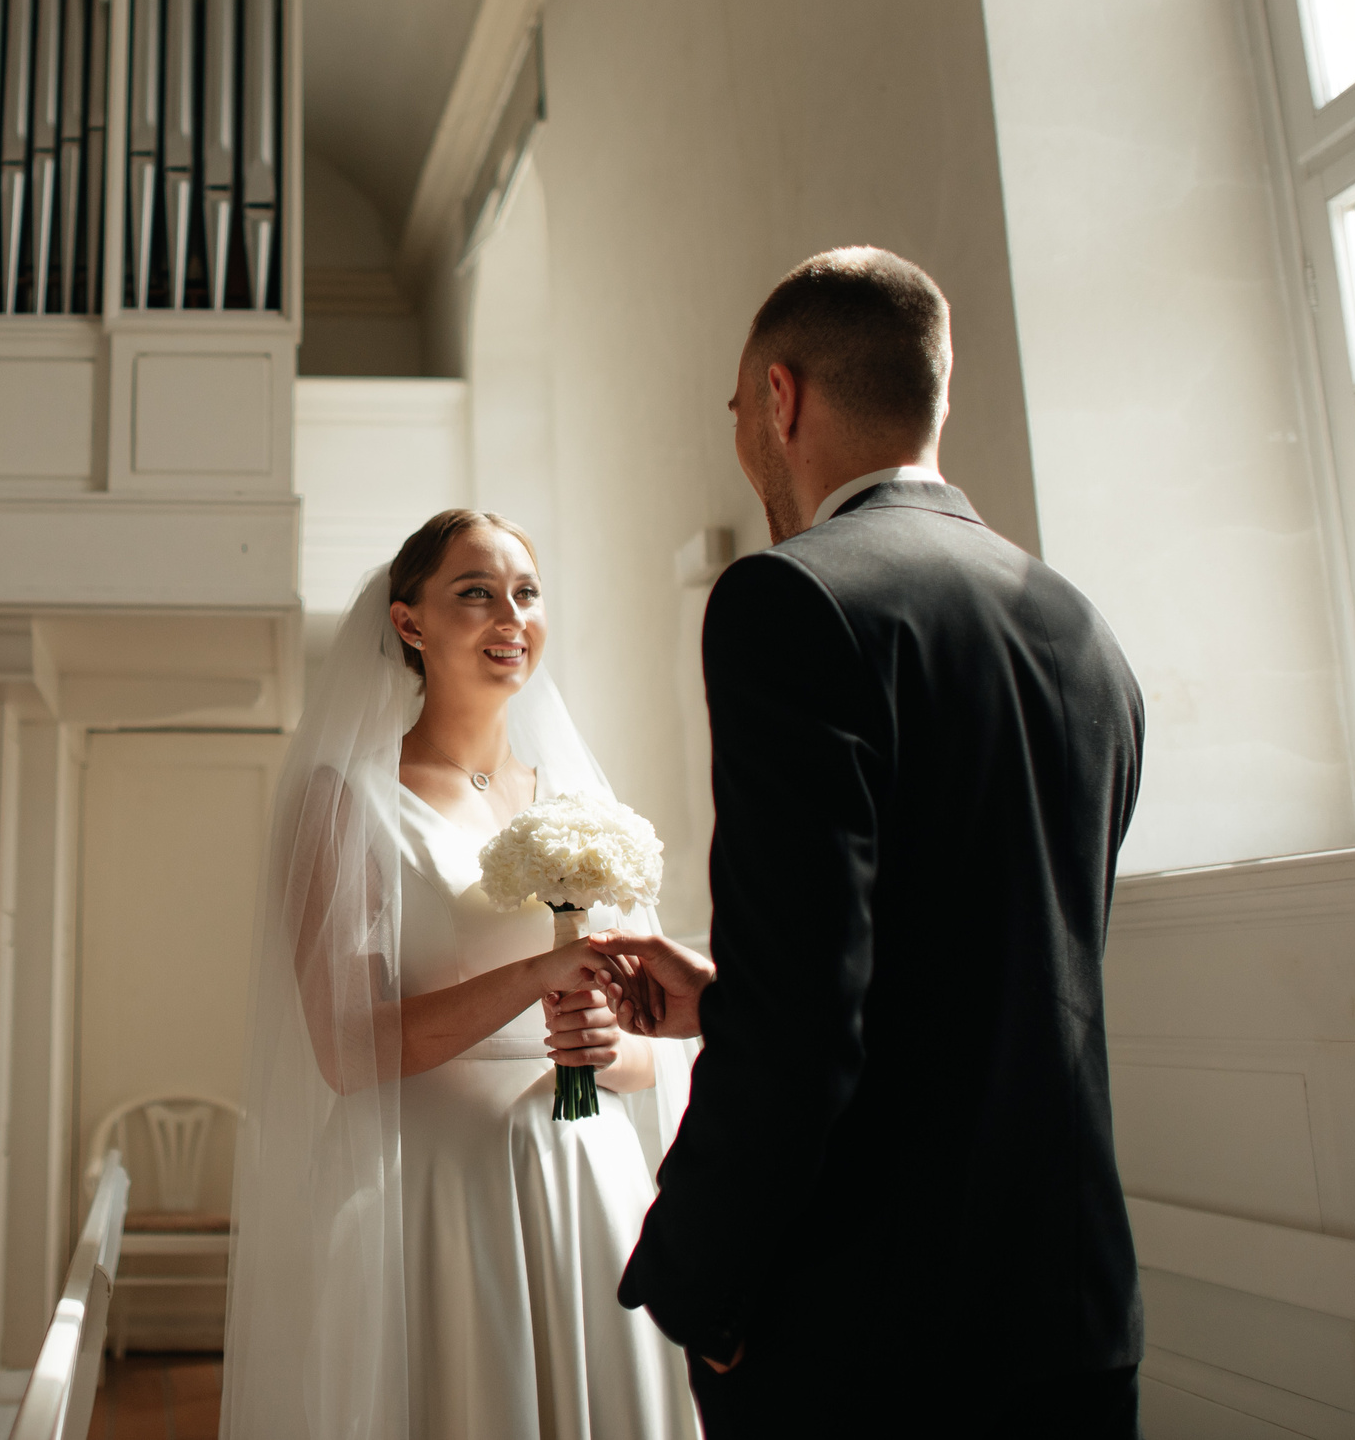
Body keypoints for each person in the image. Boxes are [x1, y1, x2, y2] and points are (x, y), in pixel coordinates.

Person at [591, 248, 1147, 1437]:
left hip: (864, 1328)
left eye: (738, 410)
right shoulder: (1079, 625)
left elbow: (805, 1025)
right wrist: (724, 997)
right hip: (1072, 1304)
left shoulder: (790, 598)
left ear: (779, 397)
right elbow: (991, 969)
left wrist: (705, 1282)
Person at [223, 510, 698, 1440]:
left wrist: (607, 1043)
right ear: (409, 622)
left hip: (587, 1178)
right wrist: (535, 976)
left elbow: (649, 1052)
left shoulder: (581, 805)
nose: (510, 616)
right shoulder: (348, 800)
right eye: (476, 593)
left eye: (526, 592)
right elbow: (347, 1050)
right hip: (438, 1192)